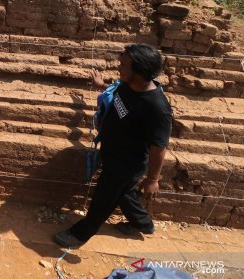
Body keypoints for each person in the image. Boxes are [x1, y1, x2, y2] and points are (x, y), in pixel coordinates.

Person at [54, 43, 172, 248]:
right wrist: (101, 86)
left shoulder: (157, 108)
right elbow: (116, 95)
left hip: (126, 164)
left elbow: (159, 148)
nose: (119, 68)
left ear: (140, 70)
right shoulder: (128, 85)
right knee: (125, 194)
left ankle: (80, 234)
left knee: (104, 200)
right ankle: (143, 224)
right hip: (111, 153)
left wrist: (153, 179)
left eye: (124, 65)